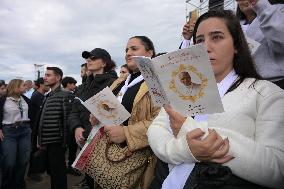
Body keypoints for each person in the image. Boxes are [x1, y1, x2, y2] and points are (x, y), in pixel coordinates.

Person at [148, 10, 284, 189]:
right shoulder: (183, 86)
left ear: (236, 45)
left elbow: (277, 169)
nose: (205, 47)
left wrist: (191, 130)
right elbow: (156, 129)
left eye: (217, 37)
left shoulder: (266, 93)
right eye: (199, 40)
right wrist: (185, 150)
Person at [89, 36, 160, 189]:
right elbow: (108, 108)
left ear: (149, 53)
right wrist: (97, 115)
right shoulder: (120, 81)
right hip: (107, 152)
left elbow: (162, 120)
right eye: (126, 50)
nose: (128, 53)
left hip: (135, 159)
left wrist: (127, 133)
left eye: (134, 49)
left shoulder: (157, 81)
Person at [69, 48, 118, 189]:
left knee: (104, 180)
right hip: (84, 139)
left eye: (93, 57)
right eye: (87, 58)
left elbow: (116, 114)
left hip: (106, 140)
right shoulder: (82, 87)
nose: (88, 60)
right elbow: (73, 112)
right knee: (90, 178)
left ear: (104, 63)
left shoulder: (115, 84)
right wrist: (77, 127)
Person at [37, 67, 75, 189]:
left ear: (58, 77)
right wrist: (40, 139)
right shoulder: (49, 95)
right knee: (52, 173)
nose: (45, 77)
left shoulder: (65, 95)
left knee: (58, 175)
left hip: (57, 142)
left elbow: (66, 120)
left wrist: (64, 143)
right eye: (45, 75)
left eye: (48, 75)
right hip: (47, 141)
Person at [235, 0, 284, 89]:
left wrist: (261, 6)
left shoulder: (278, 11)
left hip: (276, 83)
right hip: (246, 84)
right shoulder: (236, 25)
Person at [0, 79, 32, 189]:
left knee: (23, 160)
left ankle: (19, 184)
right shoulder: (3, 99)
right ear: (15, 86)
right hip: (9, 131)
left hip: (25, 130)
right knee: (9, 162)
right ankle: (7, 185)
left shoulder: (25, 99)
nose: (26, 86)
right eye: (23, 85)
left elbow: (33, 113)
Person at [27, 77, 50, 181]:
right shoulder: (38, 96)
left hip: (35, 126)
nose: (48, 86)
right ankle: (32, 172)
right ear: (41, 85)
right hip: (34, 127)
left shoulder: (40, 95)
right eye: (46, 84)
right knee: (34, 150)